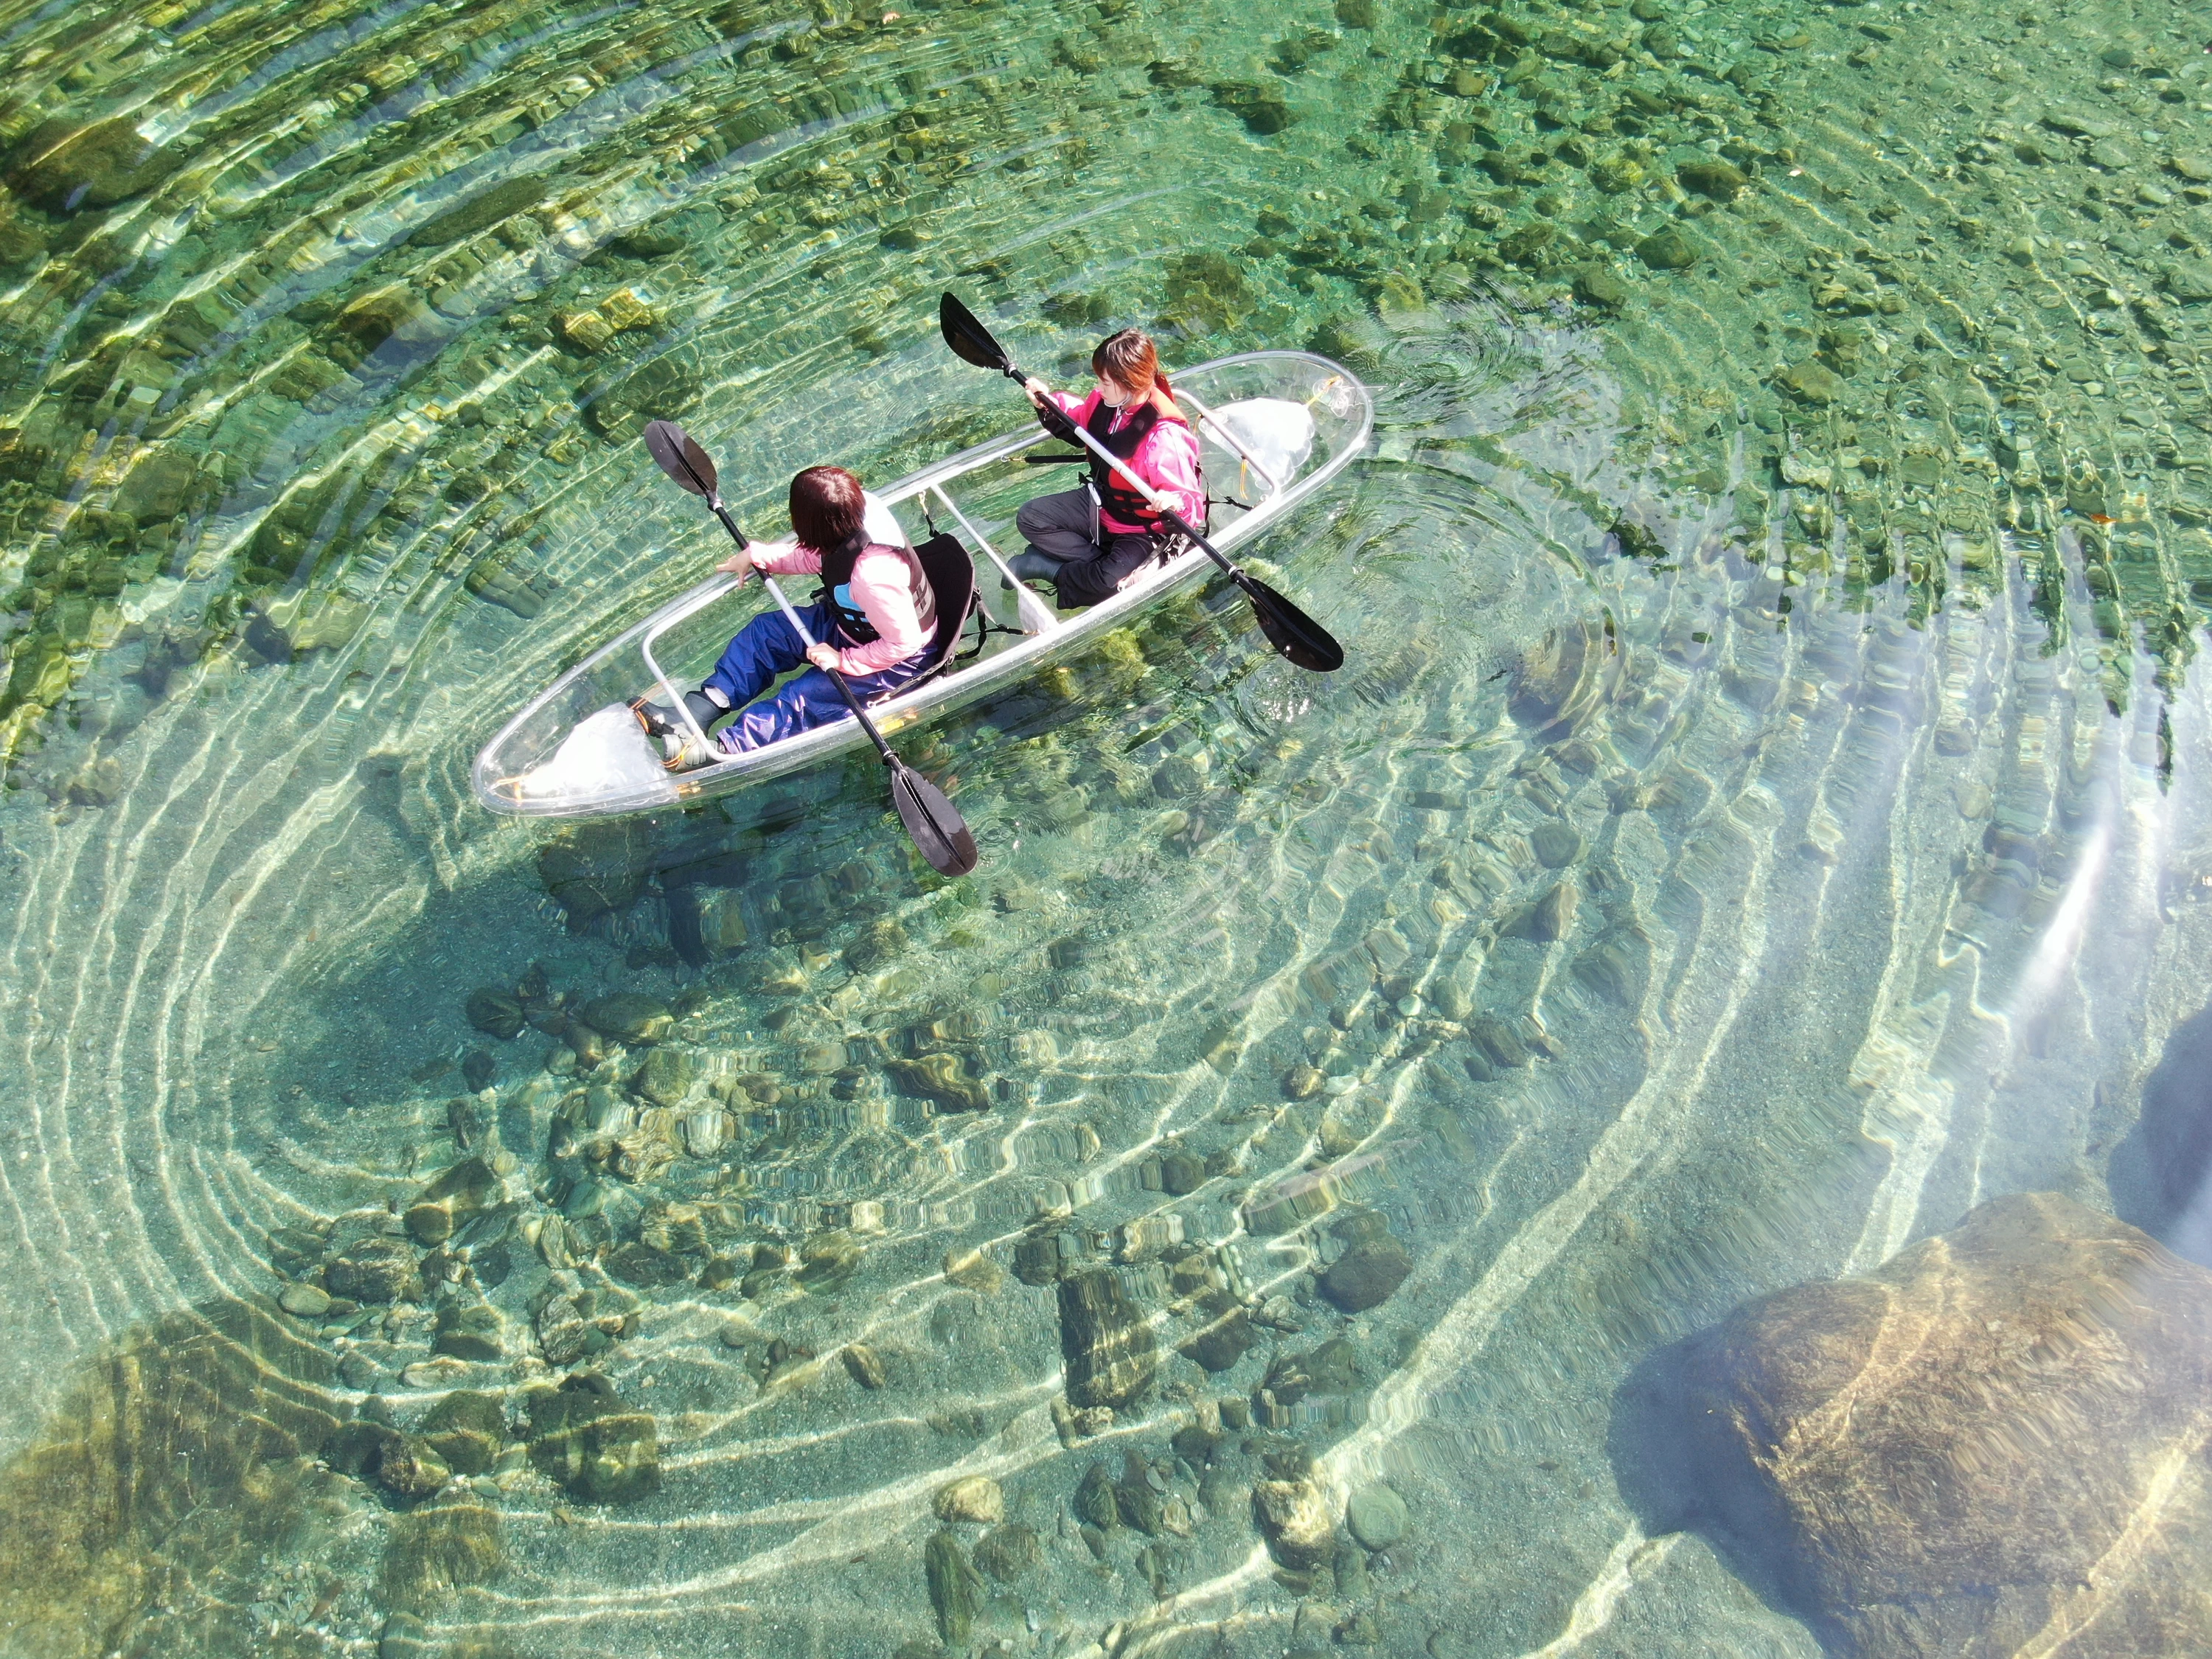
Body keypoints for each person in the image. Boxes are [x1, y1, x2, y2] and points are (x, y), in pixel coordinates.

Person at [633, 465, 936, 766]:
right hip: (853, 628)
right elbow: (814, 555)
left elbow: (904, 644)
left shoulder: (873, 577)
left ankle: (725, 752)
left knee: (803, 697)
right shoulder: (849, 520)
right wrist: (756, 554)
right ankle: (698, 712)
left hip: (897, 661)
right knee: (766, 634)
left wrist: (843, 662)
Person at [1010, 327, 1205, 608]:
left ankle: (1049, 568)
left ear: (1129, 383)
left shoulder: (1165, 440)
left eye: (1105, 382)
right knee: (1030, 517)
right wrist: (1046, 402)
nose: (1099, 388)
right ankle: (1096, 562)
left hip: (1141, 529)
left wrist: (1174, 501)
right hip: (1102, 504)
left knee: (1111, 587)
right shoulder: (1107, 403)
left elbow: (1192, 506)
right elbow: (1077, 419)